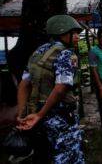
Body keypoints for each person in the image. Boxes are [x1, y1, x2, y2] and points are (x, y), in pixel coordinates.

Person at [16, 15, 85, 164]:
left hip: (38, 115)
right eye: (74, 33)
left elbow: (24, 84)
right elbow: (61, 88)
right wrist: (40, 115)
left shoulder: (38, 52)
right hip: (60, 116)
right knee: (68, 155)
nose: (77, 37)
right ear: (62, 32)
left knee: (46, 153)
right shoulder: (66, 54)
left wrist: (22, 114)